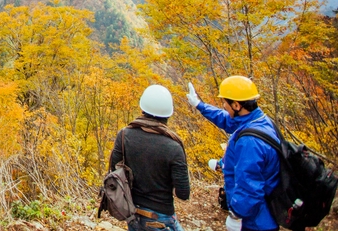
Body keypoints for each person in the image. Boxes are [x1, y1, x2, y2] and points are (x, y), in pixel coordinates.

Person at [187, 76, 280, 231]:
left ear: (236, 105)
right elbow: (226, 120)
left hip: (255, 222)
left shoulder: (250, 142)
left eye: (225, 102)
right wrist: (200, 105)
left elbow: (249, 185)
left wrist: (236, 215)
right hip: (261, 215)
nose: (223, 106)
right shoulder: (258, 120)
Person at [109, 84, 190, 231]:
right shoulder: (174, 147)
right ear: (168, 114)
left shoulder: (124, 135)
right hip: (161, 217)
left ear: (143, 109)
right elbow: (183, 193)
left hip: (133, 213)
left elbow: (113, 171)